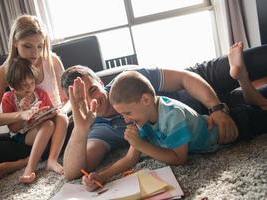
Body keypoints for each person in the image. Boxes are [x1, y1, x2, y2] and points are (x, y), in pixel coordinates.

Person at [61, 42, 267, 180]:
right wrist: (80, 128)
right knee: (261, 102)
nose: (93, 101)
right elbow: (72, 173)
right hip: (204, 124)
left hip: (201, 85)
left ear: (101, 82)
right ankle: (244, 82)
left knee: (258, 59)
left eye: (93, 90)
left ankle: (240, 76)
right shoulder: (101, 129)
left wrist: (217, 107)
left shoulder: (128, 82)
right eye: (82, 99)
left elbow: (185, 78)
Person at [0, 15, 68, 179]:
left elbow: (67, 99)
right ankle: (41, 153)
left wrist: (59, 112)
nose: (35, 53)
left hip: (57, 124)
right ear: (15, 42)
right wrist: (21, 115)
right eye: (27, 46)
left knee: (68, 125)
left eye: (40, 46)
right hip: (26, 130)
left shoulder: (52, 61)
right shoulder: (3, 73)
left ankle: (25, 161)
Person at [2, 57, 66, 183]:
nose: (29, 88)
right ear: (13, 84)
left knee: (59, 119)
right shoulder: (8, 98)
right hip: (22, 135)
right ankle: (29, 168)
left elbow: (52, 111)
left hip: (42, 129)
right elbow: (13, 129)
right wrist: (22, 113)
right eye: (24, 85)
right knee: (48, 125)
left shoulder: (40, 93)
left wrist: (50, 113)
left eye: (32, 83)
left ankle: (51, 160)